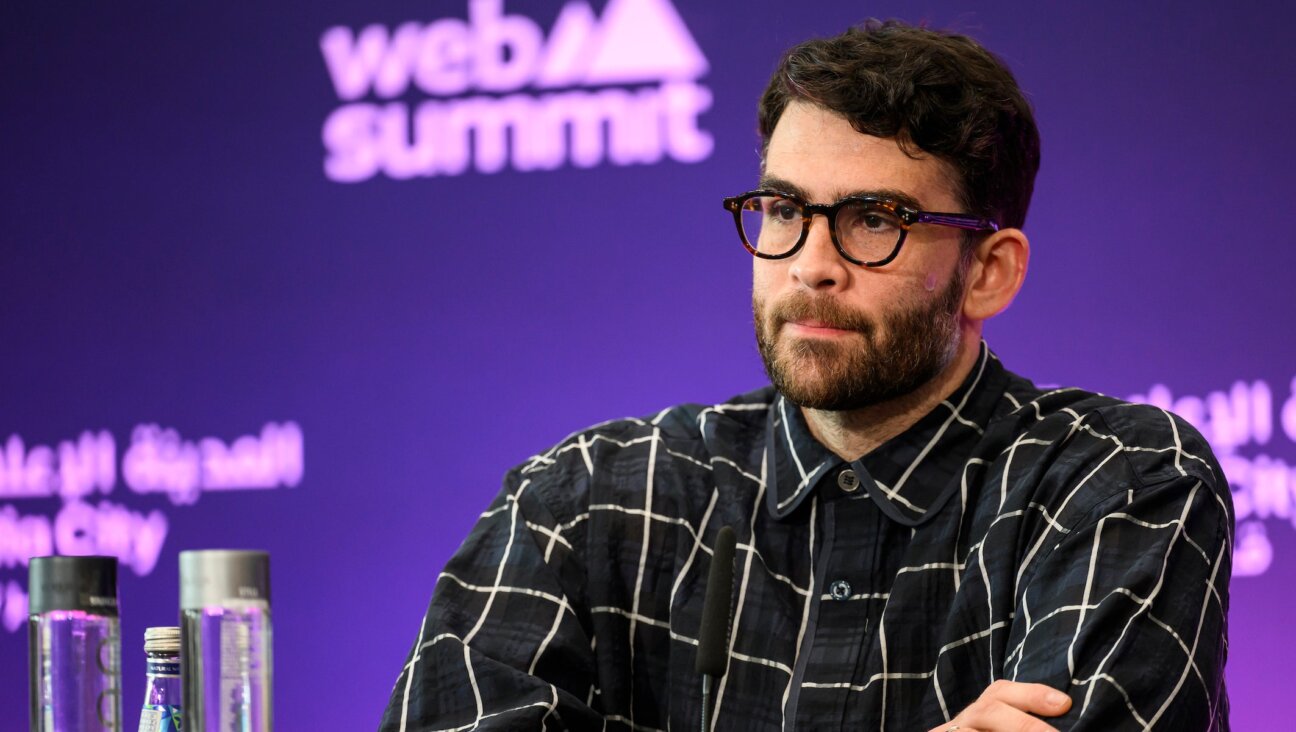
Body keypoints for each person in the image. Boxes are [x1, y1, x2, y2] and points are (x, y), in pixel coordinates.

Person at [379, 20, 1231, 732]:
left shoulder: (1122, 482)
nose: (811, 265)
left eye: (874, 220)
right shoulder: (589, 501)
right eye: (785, 210)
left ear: (989, 272)